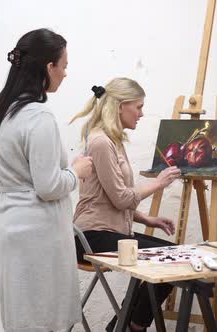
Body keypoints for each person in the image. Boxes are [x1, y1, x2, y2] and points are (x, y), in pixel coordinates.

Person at [0, 28, 93, 332]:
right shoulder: (38, 117)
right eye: (64, 66)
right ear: (49, 68)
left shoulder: (1, 111)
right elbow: (47, 187)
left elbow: (29, 175)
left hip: (8, 225)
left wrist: (63, 173)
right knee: (44, 319)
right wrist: (76, 172)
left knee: (21, 317)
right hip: (37, 233)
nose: (66, 74)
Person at [69, 77, 182, 332]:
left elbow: (110, 200)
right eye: (139, 107)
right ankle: (131, 326)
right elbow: (121, 198)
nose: (142, 114)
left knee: (176, 255)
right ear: (121, 106)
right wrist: (158, 183)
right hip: (91, 236)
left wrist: (146, 219)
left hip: (110, 232)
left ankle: (123, 326)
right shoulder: (101, 142)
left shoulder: (113, 140)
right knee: (172, 259)